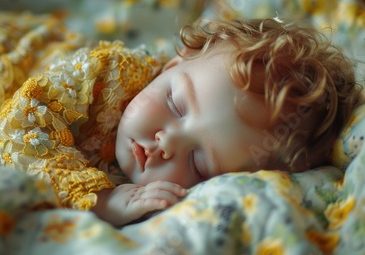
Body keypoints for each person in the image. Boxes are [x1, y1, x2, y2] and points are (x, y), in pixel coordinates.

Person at [89, 18, 362, 226]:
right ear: (172, 66)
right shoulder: (101, 81)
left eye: (199, 162)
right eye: (175, 104)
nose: (166, 142)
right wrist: (98, 202)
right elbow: (45, 152)